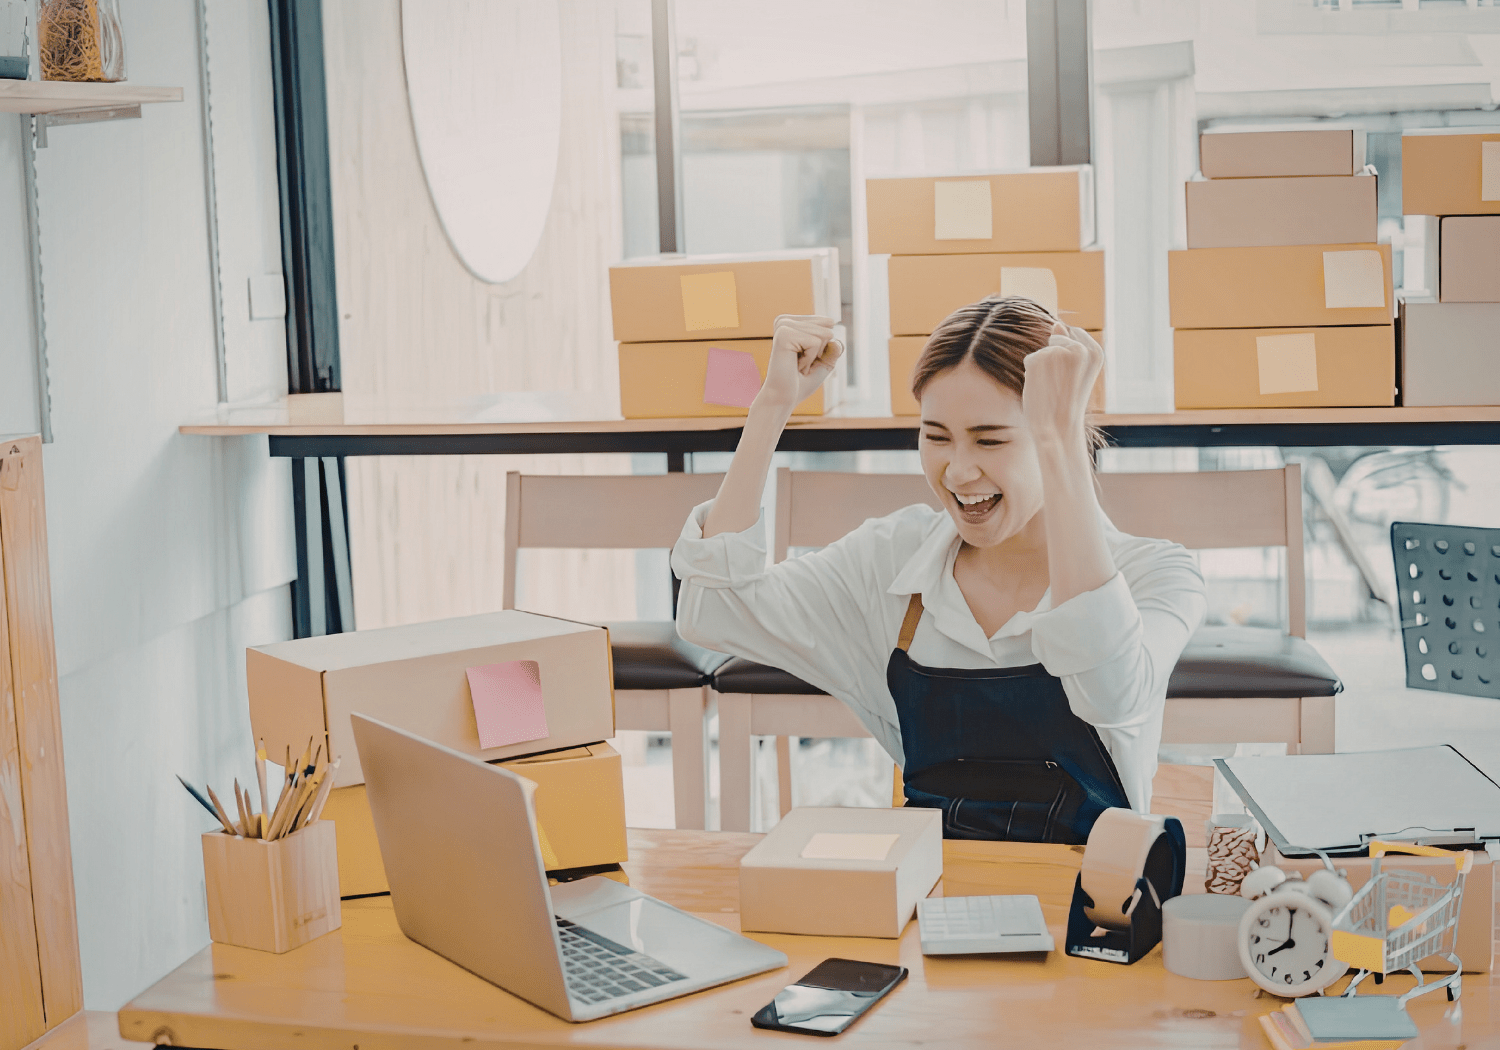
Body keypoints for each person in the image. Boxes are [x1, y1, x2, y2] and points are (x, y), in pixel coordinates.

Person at [671, 296, 1207, 843]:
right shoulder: (890, 562)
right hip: (928, 881)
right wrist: (771, 406)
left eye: (990, 439)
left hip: (1098, 889)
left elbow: (1109, 691)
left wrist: (1062, 441)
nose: (958, 471)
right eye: (936, 437)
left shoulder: (1157, 576)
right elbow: (712, 609)